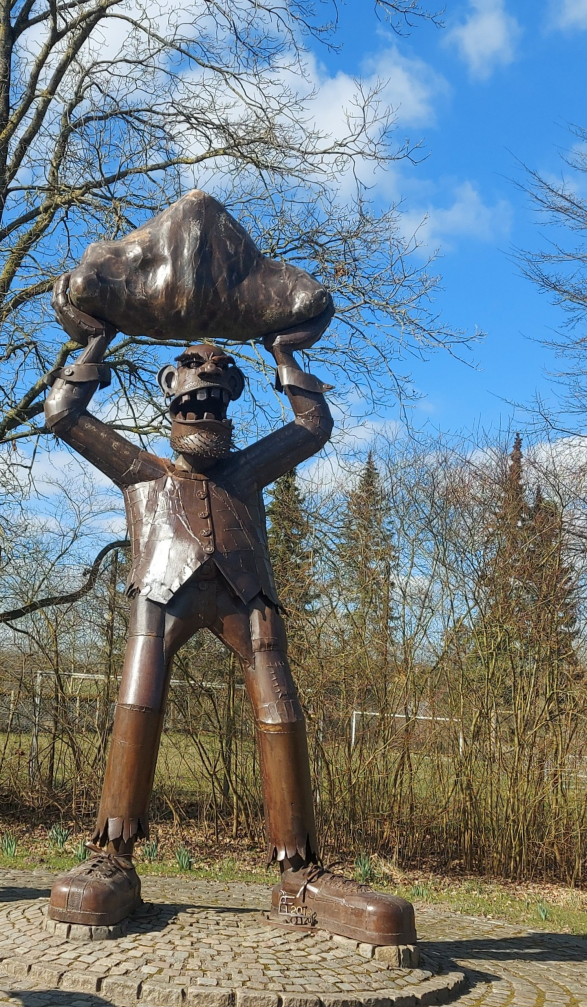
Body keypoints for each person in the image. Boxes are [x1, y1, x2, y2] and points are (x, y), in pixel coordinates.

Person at [43, 277, 415, 946]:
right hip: (160, 596)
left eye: (218, 372)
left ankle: (299, 872)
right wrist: (95, 343)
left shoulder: (246, 472)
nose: (206, 378)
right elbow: (64, 416)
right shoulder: (141, 472)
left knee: (281, 709)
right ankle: (112, 854)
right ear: (168, 388)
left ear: (234, 394)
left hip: (248, 598)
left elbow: (313, 426)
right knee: (138, 701)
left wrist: (285, 355)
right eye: (191, 368)